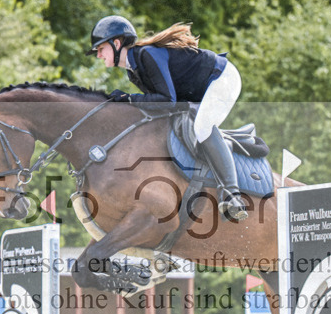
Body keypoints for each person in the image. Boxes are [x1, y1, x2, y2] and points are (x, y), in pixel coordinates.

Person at [86, 15, 248, 221]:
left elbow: (167, 101)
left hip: (222, 79)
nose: (98, 55)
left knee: (201, 128)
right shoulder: (133, 71)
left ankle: (233, 195)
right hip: (198, 93)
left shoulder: (147, 55)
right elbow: (159, 107)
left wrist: (128, 99)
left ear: (116, 44)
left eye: (100, 49)